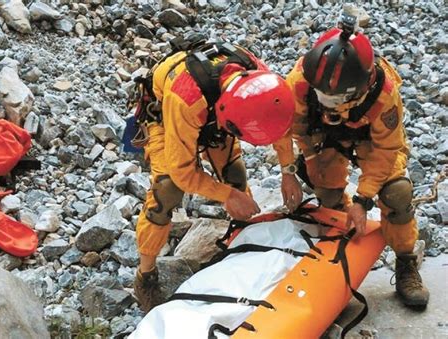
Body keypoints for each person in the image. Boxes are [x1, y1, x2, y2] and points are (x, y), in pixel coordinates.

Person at [275, 15, 430, 307]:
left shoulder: (383, 95)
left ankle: (406, 261)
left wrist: (364, 198)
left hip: (369, 140)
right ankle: (343, 243)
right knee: (325, 193)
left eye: (334, 97)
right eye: (321, 95)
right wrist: (289, 170)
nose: (325, 101)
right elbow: (284, 126)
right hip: (324, 138)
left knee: (396, 193)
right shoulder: (300, 80)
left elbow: (386, 150)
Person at [132, 39, 296, 313]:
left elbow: (279, 121)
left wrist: (287, 170)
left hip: (214, 114)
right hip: (165, 116)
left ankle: (245, 243)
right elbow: (182, 172)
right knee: (166, 189)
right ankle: (145, 276)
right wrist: (227, 196)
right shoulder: (185, 100)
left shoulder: (262, 83)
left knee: (234, 174)